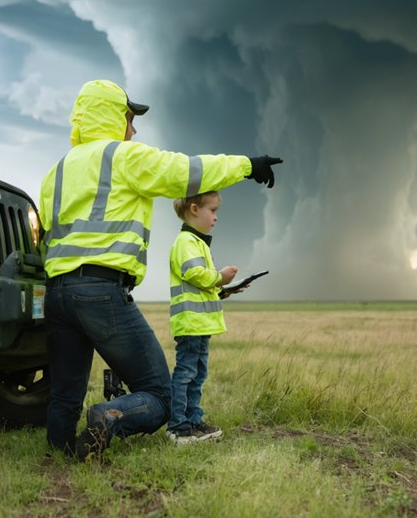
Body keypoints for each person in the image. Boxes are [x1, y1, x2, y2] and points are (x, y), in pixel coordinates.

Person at [39, 79, 281, 460]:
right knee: (162, 395)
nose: (134, 130)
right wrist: (248, 165)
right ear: (111, 116)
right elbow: (187, 172)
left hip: (56, 294)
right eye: (129, 119)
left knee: (64, 393)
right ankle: (108, 417)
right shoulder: (122, 157)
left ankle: (60, 453)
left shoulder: (56, 173)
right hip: (102, 291)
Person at [166, 190, 240, 445]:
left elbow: (199, 285)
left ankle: (193, 420)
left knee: (197, 375)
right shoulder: (186, 242)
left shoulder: (197, 243)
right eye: (213, 210)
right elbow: (195, 273)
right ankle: (178, 427)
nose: (216, 218)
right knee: (186, 374)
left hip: (200, 324)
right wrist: (219, 277)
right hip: (191, 324)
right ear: (195, 209)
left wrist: (223, 289)